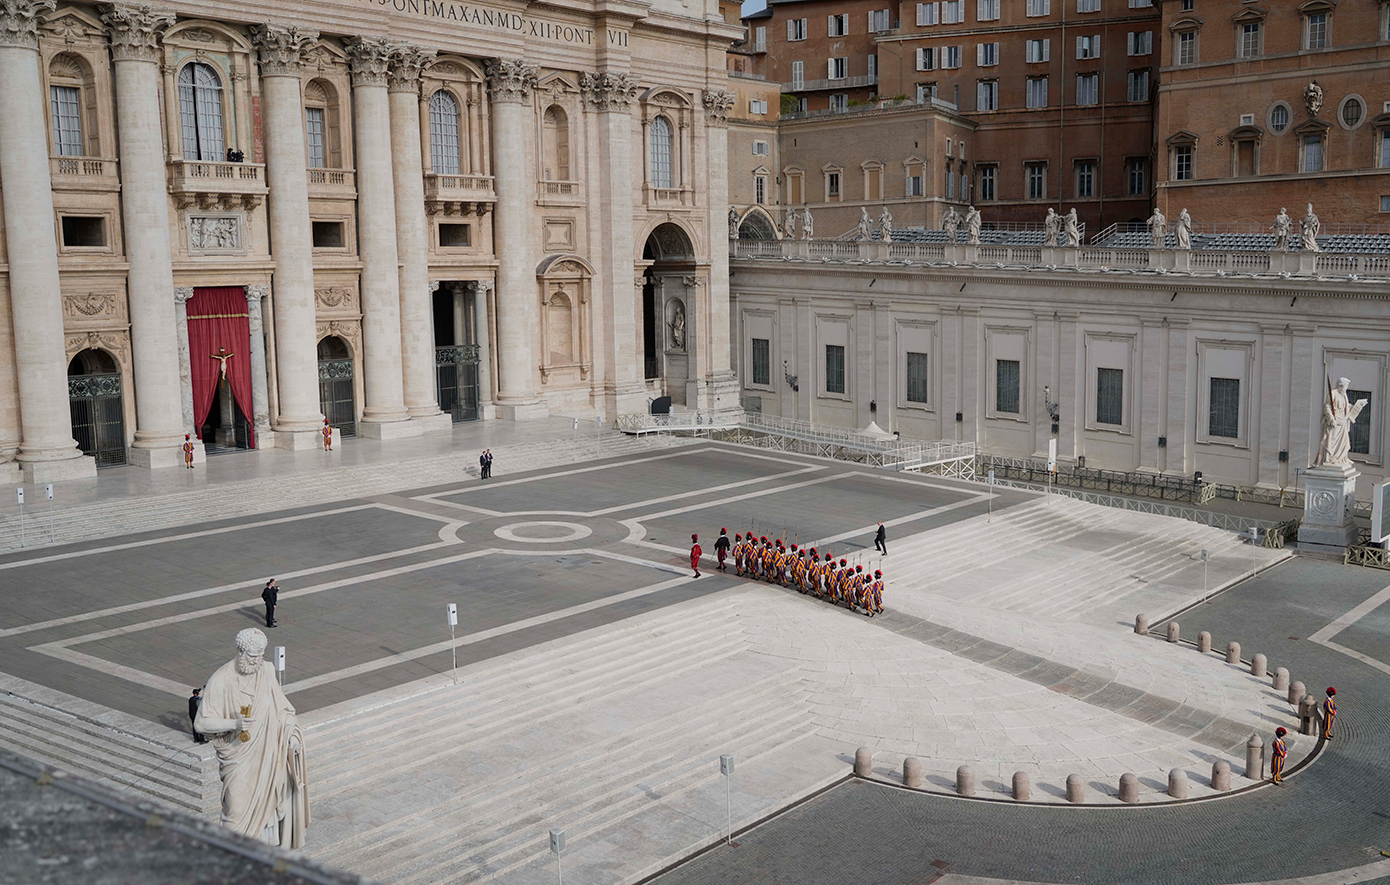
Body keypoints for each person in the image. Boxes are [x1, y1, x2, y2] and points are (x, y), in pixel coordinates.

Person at [194, 628, 308, 847]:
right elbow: (201, 723)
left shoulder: (266, 671)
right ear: (240, 651)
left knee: (269, 802)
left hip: (268, 752)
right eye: (252, 655)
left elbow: (283, 710)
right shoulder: (221, 678)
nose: (257, 661)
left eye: (260, 655)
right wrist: (234, 724)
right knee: (235, 809)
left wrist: (292, 736)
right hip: (238, 756)